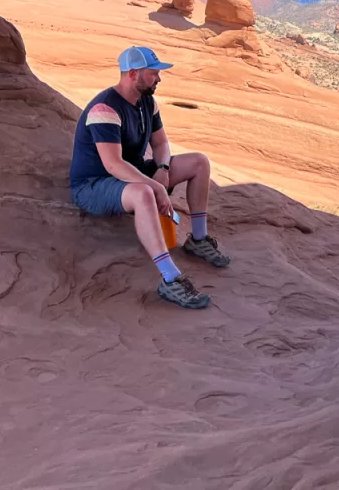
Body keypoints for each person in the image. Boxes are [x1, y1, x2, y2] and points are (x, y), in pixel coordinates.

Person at [69, 46, 231, 309]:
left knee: (199, 162)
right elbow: (112, 165)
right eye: (153, 73)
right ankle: (170, 279)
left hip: (132, 172)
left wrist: (162, 169)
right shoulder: (104, 109)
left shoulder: (147, 102)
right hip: (94, 185)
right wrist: (153, 185)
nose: (159, 78)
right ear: (133, 74)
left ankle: (198, 240)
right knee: (143, 193)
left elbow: (161, 144)